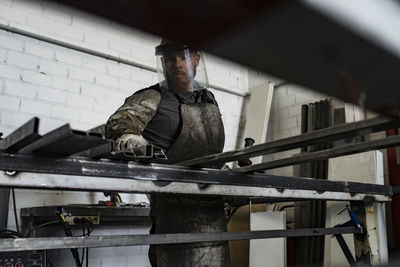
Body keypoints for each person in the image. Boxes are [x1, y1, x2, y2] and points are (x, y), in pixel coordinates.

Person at [106, 39, 230, 267]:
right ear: (163, 64)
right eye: (170, 59)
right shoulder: (153, 96)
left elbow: (210, 150)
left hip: (212, 208)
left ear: (196, 60)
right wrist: (129, 138)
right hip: (171, 205)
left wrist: (227, 172)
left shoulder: (210, 100)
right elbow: (120, 122)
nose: (177, 64)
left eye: (183, 57)